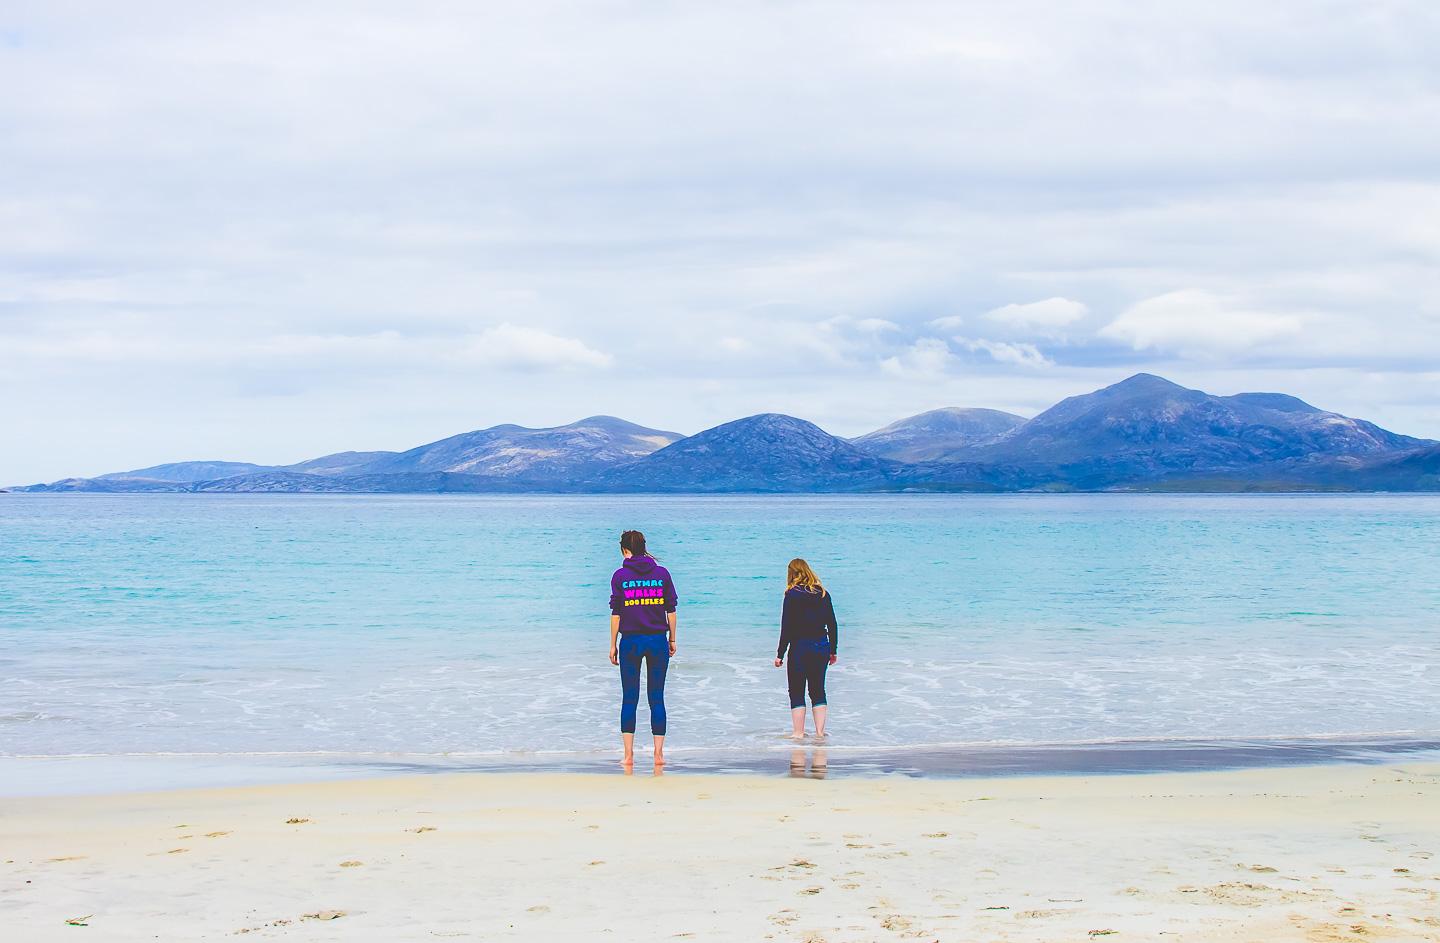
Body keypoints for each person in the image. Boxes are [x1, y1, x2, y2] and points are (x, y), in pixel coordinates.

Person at [609, 530, 678, 768]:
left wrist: (612, 644)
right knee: (656, 699)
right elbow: (671, 609)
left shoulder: (620, 576)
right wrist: (672, 639)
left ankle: (628, 756)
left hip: (630, 641)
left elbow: (616, 613)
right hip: (658, 639)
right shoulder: (662, 574)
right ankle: (658, 755)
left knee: (630, 698)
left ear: (625, 550)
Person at [774, 558, 838, 739]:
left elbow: (786, 626)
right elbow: (832, 624)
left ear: (792, 573)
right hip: (821, 645)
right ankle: (819, 733)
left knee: (796, 690)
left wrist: (780, 654)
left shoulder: (791, 594)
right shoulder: (823, 593)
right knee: (818, 690)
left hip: (800, 646)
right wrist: (833, 650)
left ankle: (799, 733)